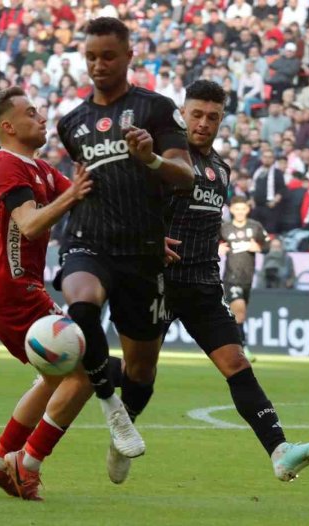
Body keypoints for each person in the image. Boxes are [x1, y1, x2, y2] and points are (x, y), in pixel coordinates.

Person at [137, 80, 309, 484]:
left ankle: (280, 451)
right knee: (141, 372)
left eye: (213, 117)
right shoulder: (163, 160)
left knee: (236, 363)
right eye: (197, 115)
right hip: (156, 280)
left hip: (202, 285)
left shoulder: (220, 169)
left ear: (221, 120)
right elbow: (134, 209)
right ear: (182, 114)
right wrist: (150, 241)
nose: (204, 123)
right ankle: (118, 425)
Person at [53, 17, 194, 468]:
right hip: (87, 239)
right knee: (81, 305)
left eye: (108, 56)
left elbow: (185, 175)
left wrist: (151, 158)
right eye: (91, 56)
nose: (98, 65)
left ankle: (124, 424)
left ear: (129, 56)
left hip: (143, 252)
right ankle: (111, 407)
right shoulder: (71, 123)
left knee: (142, 368)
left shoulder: (157, 108)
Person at [0, 87, 94, 501]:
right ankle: (27, 463)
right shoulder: (7, 166)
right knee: (84, 374)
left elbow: (84, 199)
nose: (42, 117)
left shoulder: (37, 167)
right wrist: (73, 195)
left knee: (54, 377)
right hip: (10, 290)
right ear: (8, 127)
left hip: (20, 289)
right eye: (31, 112)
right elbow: (28, 225)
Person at [220, 196, 268, 363]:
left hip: (247, 278)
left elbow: (267, 245)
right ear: (232, 210)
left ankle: (229, 346)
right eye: (236, 209)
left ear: (247, 209)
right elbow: (210, 244)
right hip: (230, 277)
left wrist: (259, 248)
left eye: (243, 209)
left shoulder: (255, 227)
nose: (240, 212)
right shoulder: (224, 228)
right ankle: (243, 348)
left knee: (238, 316)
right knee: (239, 312)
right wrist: (217, 248)